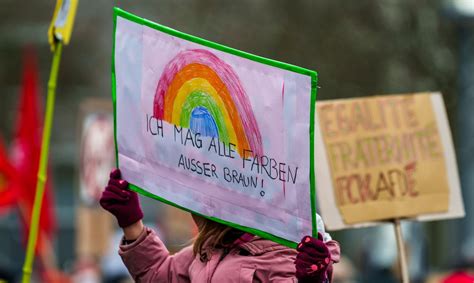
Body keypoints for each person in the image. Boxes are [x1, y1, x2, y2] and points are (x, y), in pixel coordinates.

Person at [100, 169, 340, 282]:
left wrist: (313, 282)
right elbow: (160, 276)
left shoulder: (283, 251)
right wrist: (132, 225)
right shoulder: (210, 249)